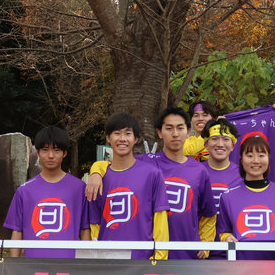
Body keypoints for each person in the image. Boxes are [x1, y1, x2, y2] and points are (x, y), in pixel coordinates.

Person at [88, 108, 215, 259]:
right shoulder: (147, 162)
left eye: (180, 128)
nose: (175, 133)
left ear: (188, 132)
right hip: (147, 255)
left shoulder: (199, 171)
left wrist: (206, 245)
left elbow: (209, 212)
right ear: (159, 132)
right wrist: (96, 171)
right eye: (169, 128)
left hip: (186, 254)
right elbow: (117, 164)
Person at [87, 112, 170, 259]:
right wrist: (97, 257)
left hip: (142, 261)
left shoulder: (152, 174)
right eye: (117, 133)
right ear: (108, 138)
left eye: (128, 133)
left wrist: (159, 258)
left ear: (135, 139)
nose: (122, 139)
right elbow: (95, 223)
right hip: (107, 260)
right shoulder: (98, 179)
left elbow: (160, 218)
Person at [4, 126, 90, 258]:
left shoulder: (79, 188)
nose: (50, 156)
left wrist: (84, 264)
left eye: (56, 150)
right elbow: (17, 231)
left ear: (64, 153)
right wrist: (14, 266)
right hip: (34, 265)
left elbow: (85, 229)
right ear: (37, 152)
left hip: (69, 265)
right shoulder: (24, 190)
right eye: (45, 150)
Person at [217, 133, 275, 260]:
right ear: (241, 159)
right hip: (240, 267)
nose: (256, 161)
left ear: (269, 158)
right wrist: (227, 238)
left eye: (261, 155)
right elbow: (223, 231)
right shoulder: (228, 196)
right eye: (250, 155)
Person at [200, 117, 243, 214]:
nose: (220, 144)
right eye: (214, 139)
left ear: (232, 146)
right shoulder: (196, 172)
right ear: (206, 144)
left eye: (226, 139)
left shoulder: (243, 174)